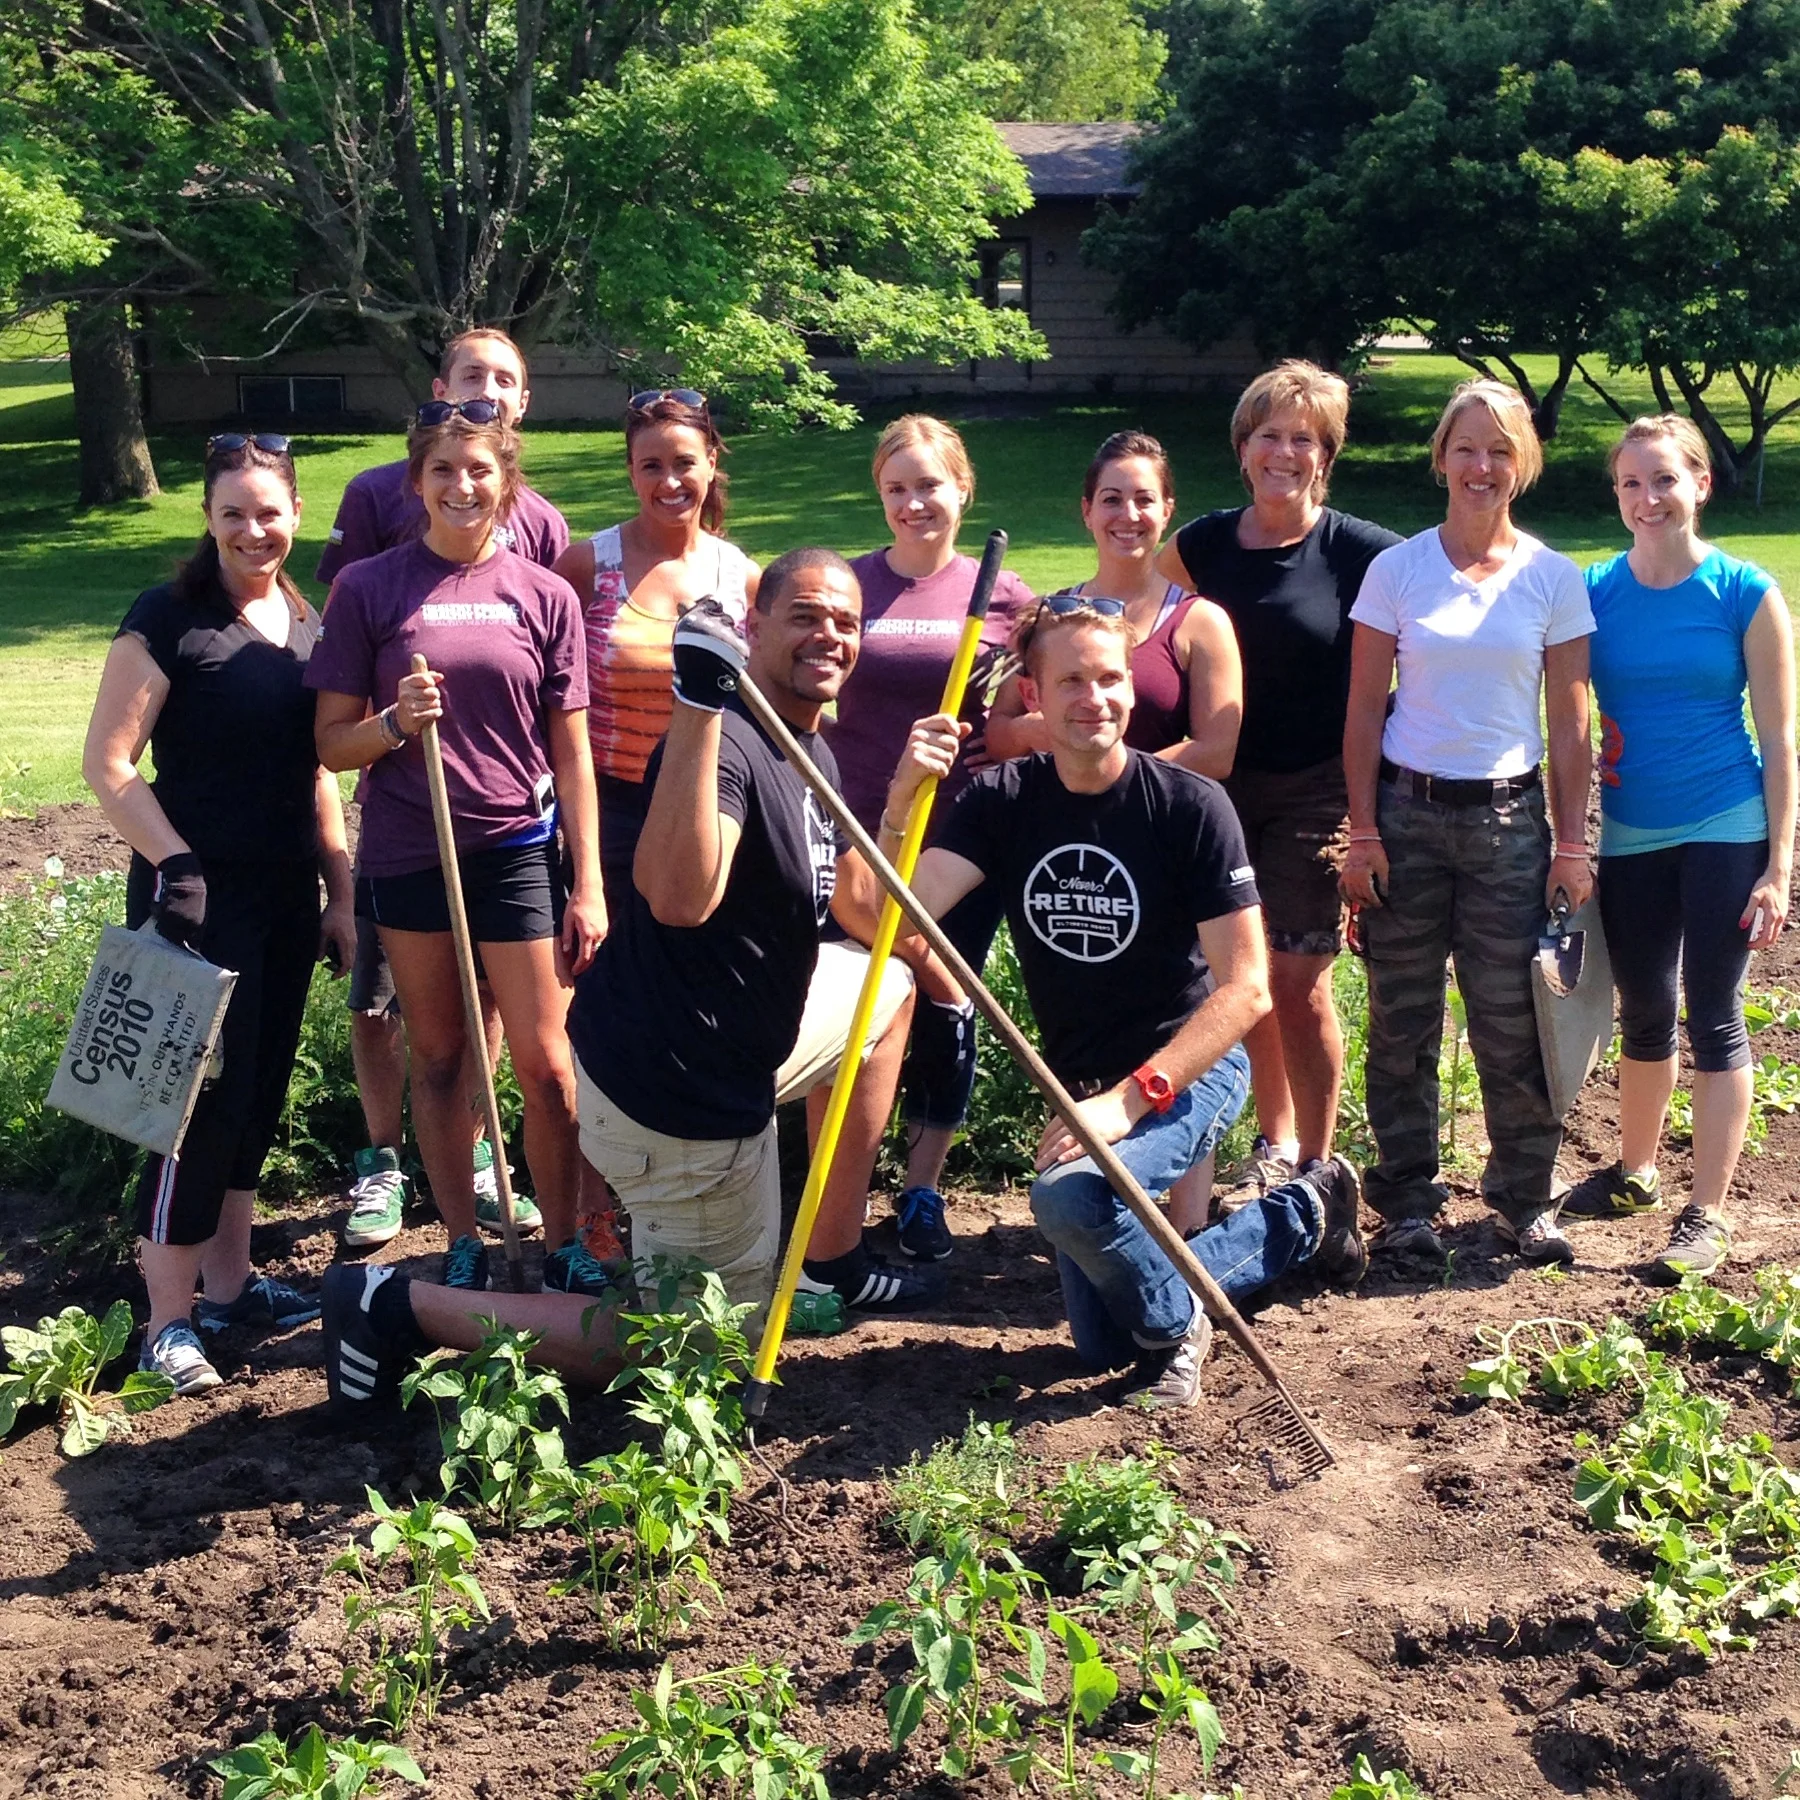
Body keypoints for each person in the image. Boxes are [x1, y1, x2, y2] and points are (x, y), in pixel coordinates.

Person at [320, 548, 938, 1412]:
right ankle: (396, 1305)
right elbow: (682, 898)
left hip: (734, 1046)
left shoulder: (812, 755)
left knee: (888, 991)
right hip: (677, 1096)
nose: (828, 635)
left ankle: (823, 1250)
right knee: (694, 1356)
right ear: (753, 628)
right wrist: (695, 706)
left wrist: (905, 797)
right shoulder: (720, 751)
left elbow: (864, 916)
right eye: (803, 615)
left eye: (845, 622)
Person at [891, 595, 1367, 1408]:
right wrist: (905, 797)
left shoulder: (1187, 805)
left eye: (1110, 677)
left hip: (1184, 1070)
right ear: (1034, 693)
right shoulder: (1004, 799)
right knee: (1104, 1338)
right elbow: (899, 917)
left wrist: (1127, 1100)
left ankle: (1177, 1328)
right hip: (1083, 1082)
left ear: (1133, 689)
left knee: (1069, 1197)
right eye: (1070, 679)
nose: (1094, 698)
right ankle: (1305, 1216)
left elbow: (1247, 989)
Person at [82, 432, 358, 1396]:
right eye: (233, 512)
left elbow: (318, 773)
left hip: (286, 898)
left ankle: (234, 1284)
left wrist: (342, 891)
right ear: (207, 516)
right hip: (194, 899)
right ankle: (167, 1318)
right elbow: (108, 765)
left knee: (258, 1092)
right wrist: (176, 865)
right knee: (187, 1104)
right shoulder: (169, 618)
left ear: (295, 515)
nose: (254, 530)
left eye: (270, 512)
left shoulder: (309, 625)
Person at [308, 403, 605, 1296]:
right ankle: (465, 1238)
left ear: (505, 481)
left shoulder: (544, 594)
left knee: (548, 1067)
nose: (461, 486)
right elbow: (330, 742)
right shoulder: (370, 587)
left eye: (478, 470)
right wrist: (397, 722)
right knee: (439, 1057)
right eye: (442, 471)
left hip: (515, 845)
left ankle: (564, 1243)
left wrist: (587, 883)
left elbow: (573, 750)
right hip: (409, 850)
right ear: (416, 483)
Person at [1340, 379, 1594, 1266]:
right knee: (1401, 1023)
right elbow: (1365, 710)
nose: (1480, 466)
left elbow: (1570, 725)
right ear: (1441, 456)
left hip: (1510, 824)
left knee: (1511, 1020)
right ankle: (1406, 1200)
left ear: (1520, 465)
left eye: (1499, 450)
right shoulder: (1397, 571)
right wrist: (1362, 832)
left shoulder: (1553, 578)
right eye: (1466, 447)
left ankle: (1525, 1200)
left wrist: (1571, 843)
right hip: (1407, 819)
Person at [1561, 415, 1796, 1281]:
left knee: (1714, 1005)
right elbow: (1568, 718)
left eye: (1664, 479)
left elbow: (1779, 740)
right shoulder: (1593, 591)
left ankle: (1706, 1215)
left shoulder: (1745, 592)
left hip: (1725, 823)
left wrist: (1779, 864)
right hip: (1629, 832)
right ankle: (1636, 1173)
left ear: (1700, 483)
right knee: (1644, 1005)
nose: (1647, 498)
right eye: (1630, 483)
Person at [1157, 363, 1402, 1190]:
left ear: (1326, 456)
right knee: (1241, 977)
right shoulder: (1200, 545)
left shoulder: (1364, 553)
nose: (1284, 452)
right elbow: (1139, 624)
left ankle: (1317, 1162)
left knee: (1296, 979)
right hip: (1216, 790)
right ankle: (1274, 1138)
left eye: (1304, 438)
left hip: (1318, 788)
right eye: (1269, 434)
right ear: (1243, 447)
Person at [831, 415, 1034, 1263]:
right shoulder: (847, 585)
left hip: (961, 836)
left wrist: (1005, 738)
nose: (915, 502)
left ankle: (921, 1185)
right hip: (854, 828)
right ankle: (836, 1180)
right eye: (896, 488)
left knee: (947, 997)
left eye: (930, 485)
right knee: (865, 1006)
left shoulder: (1007, 597)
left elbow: (1027, 710)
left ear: (964, 489)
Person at [551, 389, 759, 904]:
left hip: (712, 802)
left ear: (711, 464)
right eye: (651, 466)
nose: (669, 482)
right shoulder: (584, 568)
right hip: (611, 810)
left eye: (685, 463)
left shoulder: (744, 579)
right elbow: (546, 701)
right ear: (630, 472)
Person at [990, 431, 1242, 773]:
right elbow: (999, 736)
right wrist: (1028, 730)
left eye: (1144, 500)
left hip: (1155, 818)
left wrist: (1108, 774)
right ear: (1087, 511)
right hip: (1053, 818)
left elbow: (1216, 753)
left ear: (1167, 511)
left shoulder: (1201, 621)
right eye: (1111, 500)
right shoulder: (1045, 614)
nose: (1129, 514)